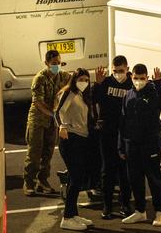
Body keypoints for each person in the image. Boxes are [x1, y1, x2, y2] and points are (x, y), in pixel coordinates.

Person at [119, 64, 161, 227]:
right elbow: (123, 122)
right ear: (131, 76)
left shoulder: (153, 92)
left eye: (142, 78)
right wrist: (121, 146)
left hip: (149, 144)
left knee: (154, 179)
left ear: (147, 78)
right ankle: (140, 211)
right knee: (135, 180)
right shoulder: (128, 95)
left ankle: (160, 212)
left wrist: (159, 83)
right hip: (131, 145)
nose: (139, 81)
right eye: (136, 78)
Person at [23, 49, 71, 196]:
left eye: (59, 63)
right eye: (54, 63)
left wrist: (62, 91)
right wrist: (53, 114)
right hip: (38, 119)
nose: (57, 66)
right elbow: (38, 102)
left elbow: (71, 82)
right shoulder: (40, 78)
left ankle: (42, 180)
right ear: (46, 63)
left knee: (48, 152)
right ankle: (29, 182)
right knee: (34, 152)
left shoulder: (62, 76)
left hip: (52, 120)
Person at [55, 68, 96, 231]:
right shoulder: (69, 93)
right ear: (74, 80)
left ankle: (73, 214)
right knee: (76, 178)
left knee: (77, 178)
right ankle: (67, 217)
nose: (84, 82)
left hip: (81, 139)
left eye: (87, 80)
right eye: (81, 79)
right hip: (70, 140)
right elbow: (57, 113)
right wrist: (62, 127)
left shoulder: (83, 96)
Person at [93, 55, 133, 219]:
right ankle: (107, 206)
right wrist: (98, 83)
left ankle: (125, 204)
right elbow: (95, 100)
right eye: (115, 71)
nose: (118, 74)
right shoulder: (106, 82)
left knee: (125, 171)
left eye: (121, 71)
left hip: (125, 134)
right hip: (108, 133)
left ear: (127, 69)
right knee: (107, 171)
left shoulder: (132, 84)